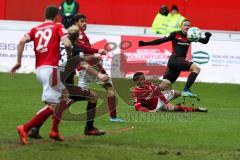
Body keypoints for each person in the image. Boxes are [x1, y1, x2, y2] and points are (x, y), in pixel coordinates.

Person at [11, 6, 107, 145]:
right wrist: (99, 73)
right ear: (57, 16)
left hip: (42, 70)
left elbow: (21, 41)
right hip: (53, 73)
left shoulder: (37, 29)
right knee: (61, 104)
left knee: (60, 101)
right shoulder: (59, 31)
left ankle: (46, 130)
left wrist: (18, 62)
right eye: (81, 22)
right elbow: (78, 56)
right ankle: (26, 128)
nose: (84, 25)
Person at [27, 25, 107, 139]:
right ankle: (89, 128)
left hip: (52, 78)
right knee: (92, 97)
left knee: (56, 105)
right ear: (78, 36)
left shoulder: (59, 44)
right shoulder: (75, 48)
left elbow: (82, 49)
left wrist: (97, 51)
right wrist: (99, 74)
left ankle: (35, 129)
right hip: (65, 84)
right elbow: (83, 64)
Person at [139, 19, 212, 97]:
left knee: (164, 85)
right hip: (175, 59)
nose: (187, 27)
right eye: (185, 25)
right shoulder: (175, 34)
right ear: (181, 26)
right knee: (196, 69)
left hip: (177, 64)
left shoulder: (190, 36)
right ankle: (186, 90)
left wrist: (207, 36)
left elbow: (204, 41)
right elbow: (160, 40)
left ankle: (143, 93)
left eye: (188, 25)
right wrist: (145, 43)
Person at [73, 14, 125, 122]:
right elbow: (81, 47)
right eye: (82, 21)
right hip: (90, 67)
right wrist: (97, 51)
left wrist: (94, 54)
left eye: (85, 21)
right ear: (76, 23)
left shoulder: (77, 34)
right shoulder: (78, 34)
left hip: (82, 68)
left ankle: (56, 108)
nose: (85, 23)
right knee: (109, 87)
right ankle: (113, 117)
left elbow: (83, 49)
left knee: (78, 94)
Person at [132, 72, 207, 112]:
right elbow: (137, 107)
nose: (144, 80)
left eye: (144, 78)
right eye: (141, 79)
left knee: (175, 92)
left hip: (159, 99)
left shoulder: (148, 83)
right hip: (157, 107)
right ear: (135, 81)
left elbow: (157, 92)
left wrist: (167, 102)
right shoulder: (136, 92)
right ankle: (197, 109)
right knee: (177, 108)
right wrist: (149, 111)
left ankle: (186, 94)